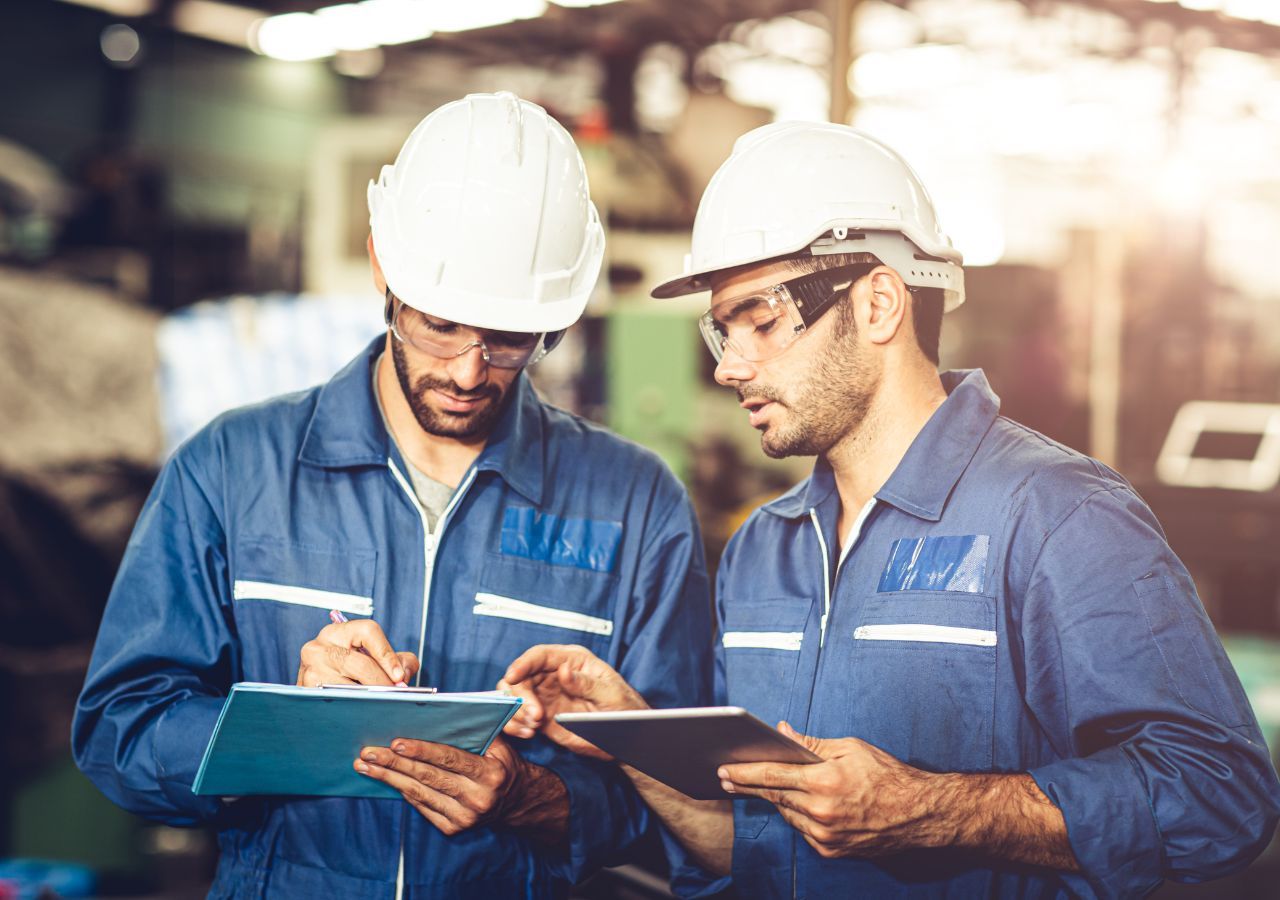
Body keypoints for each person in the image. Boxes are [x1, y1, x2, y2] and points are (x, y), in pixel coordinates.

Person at [498, 121, 1280, 898]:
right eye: (721, 331)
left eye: (762, 322)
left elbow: (1222, 796)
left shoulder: (1057, 519)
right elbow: (752, 850)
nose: (730, 367)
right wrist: (631, 734)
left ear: (878, 304)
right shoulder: (763, 552)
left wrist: (931, 810)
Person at [72, 92, 714, 899]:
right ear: (383, 267)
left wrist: (538, 801)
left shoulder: (636, 504)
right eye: (439, 325)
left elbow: (687, 805)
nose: (468, 371)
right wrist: (281, 729)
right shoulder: (231, 468)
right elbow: (118, 736)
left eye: (511, 339)